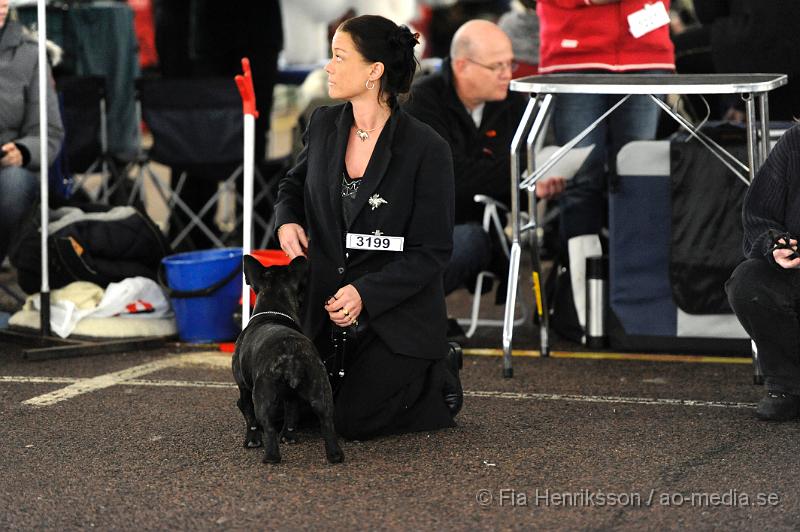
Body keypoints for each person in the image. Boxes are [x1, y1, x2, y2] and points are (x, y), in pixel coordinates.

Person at [274, 14, 461, 440]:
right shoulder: (322, 124)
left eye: (340, 56)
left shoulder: (427, 148)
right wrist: (287, 223)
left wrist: (366, 293)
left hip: (395, 317)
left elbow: (431, 253)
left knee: (346, 424)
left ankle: (438, 375)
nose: (328, 66)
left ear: (374, 71)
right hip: (325, 309)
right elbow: (291, 186)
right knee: (295, 416)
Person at [405, 19, 564, 295]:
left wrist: (532, 190)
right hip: (413, 230)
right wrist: (518, 177)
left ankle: (408, 319)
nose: (507, 75)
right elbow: (449, 178)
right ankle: (410, 320)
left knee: (471, 240)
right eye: (496, 67)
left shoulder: (514, 103)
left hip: (478, 231)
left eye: (509, 64)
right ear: (462, 66)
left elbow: (499, 180)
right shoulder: (422, 100)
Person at [537, 0, 674, 242]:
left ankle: (635, 273)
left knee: (637, 174)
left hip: (645, 55)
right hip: (573, 56)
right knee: (579, 176)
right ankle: (577, 274)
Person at [725, 125, 800, 422]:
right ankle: (788, 385)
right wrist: (774, 245)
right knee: (748, 282)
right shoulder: (795, 141)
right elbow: (758, 216)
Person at [0, 0, 64, 264]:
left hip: (6, 169)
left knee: (15, 184)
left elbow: (49, 131)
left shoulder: (31, 54)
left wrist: (24, 151)